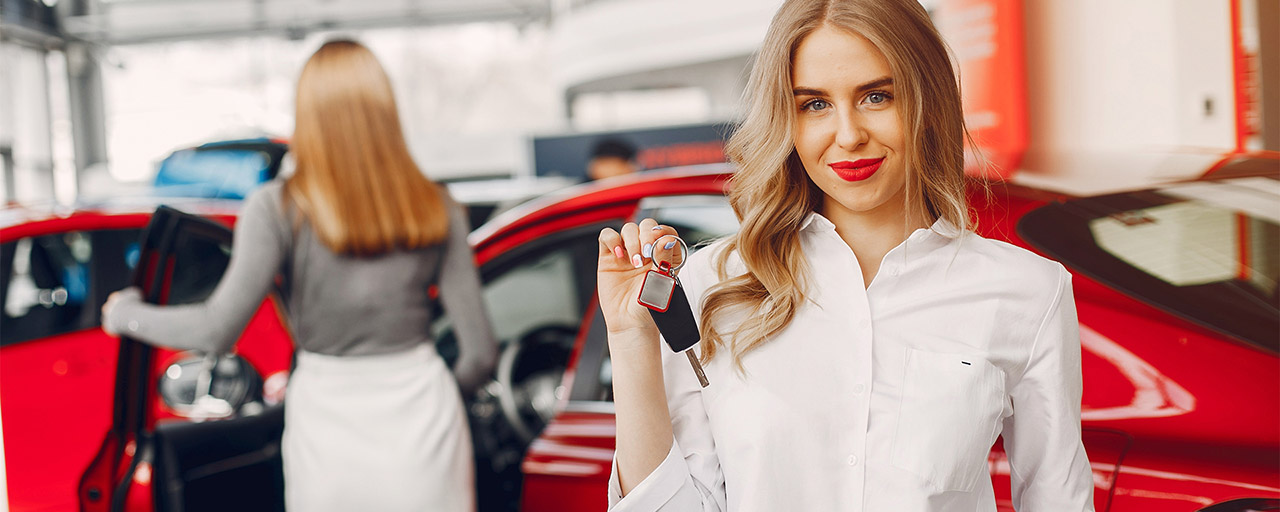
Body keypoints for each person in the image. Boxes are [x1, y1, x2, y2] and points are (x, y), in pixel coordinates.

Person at [595, 0, 1094, 510]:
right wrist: (629, 339)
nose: (849, 135)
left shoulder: (1029, 292)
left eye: (876, 96)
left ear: (928, 101)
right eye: (814, 104)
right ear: (784, 118)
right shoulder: (708, 282)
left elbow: (1059, 499)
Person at [101, 40, 497, 512]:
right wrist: (437, 396)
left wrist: (125, 314)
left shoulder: (276, 208)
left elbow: (215, 329)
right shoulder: (438, 206)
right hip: (424, 416)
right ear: (385, 110)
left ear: (308, 115)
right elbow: (480, 354)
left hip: (327, 420)